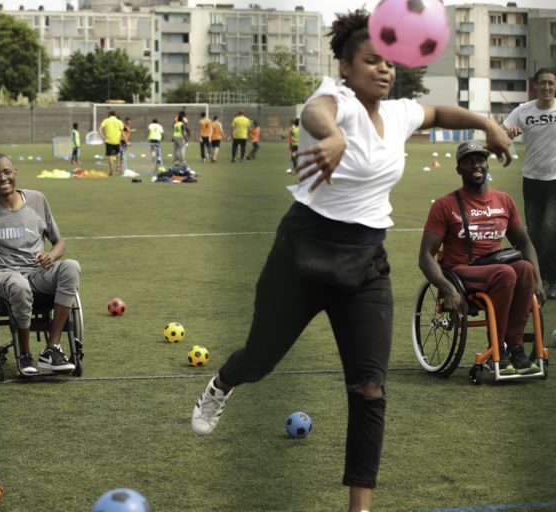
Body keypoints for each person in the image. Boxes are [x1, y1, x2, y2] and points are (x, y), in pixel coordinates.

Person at [190, 9, 512, 512]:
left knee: (370, 389)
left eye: (389, 62)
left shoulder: (401, 113)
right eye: (370, 61)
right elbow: (315, 114)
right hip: (301, 257)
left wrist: (487, 122)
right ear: (346, 65)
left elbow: (441, 114)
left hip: (366, 265)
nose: (384, 69)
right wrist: (334, 136)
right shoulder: (334, 101)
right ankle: (222, 383)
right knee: (260, 358)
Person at [0, 153, 81, 376]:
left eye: (7, 172)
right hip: (1, 275)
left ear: (15, 173)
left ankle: (52, 349)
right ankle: (25, 354)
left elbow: (60, 243)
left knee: (71, 267)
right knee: (18, 284)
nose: (2, 178)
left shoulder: (38, 200)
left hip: (37, 273)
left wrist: (52, 255)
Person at [418, 140, 545, 375]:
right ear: (458, 169)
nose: (476, 165)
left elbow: (525, 242)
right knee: (506, 273)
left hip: (495, 267)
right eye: (468, 161)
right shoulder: (445, 205)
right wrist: (447, 289)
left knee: (525, 269)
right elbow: (425, 256)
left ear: (487, 165)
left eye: (480, 160)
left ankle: (515, 348)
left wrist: (537, 279)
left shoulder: (504, 200)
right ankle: (498, 349)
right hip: (461, 271)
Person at [502, 67, 556, 300]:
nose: (546, 87)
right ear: (535, 86)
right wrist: (509, 134)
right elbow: (500, 132)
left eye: (551, 83)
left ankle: (552, 280)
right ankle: (538, 279)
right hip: (531, 180)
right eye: (542, 83)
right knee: (533, 233)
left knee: (549, 230)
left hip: (555, 181)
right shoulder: (523, 111)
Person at [99, 110, 124, 176]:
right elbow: (122, 132)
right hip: (117, 141)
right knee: (118, 154)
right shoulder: (119, 121)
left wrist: (103, 137)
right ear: (115, 115)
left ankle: (111, 171)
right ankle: (118, 166)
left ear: (109, 115)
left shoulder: (106, 120)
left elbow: (99, 129)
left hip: (108, 140)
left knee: (110, 156)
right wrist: (126, 141)